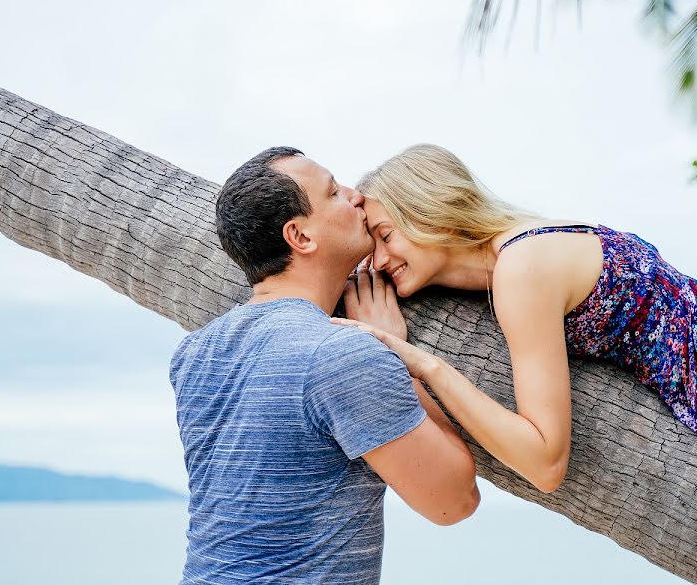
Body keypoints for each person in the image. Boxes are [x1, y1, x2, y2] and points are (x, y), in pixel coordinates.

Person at [333, 143, 697, 585]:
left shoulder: (520, 270)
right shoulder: (532, 243)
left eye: (385, 235)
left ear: (429, 210)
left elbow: (545, 463)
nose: (375, 260)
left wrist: (420, 362)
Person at [168, 146, 480, 584]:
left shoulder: (194, 353)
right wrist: (398, 356)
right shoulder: (342, 356)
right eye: (334, 192)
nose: (355, 196)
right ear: (299, 236)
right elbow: (453, 502)